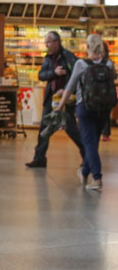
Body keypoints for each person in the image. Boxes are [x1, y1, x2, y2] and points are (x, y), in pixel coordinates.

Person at [55, 34, 115, 190]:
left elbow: (70, 86)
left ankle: (97, 178)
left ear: (87, 47)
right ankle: (84, 171)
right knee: (92, 142)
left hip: (85, 108)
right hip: (104, 109)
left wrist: (60, 105)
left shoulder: (81, 64)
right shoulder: (109, 64)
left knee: (89, 143)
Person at [25, 31, 84, 168]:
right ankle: (39, 158)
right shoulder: (48, 58)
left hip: (66, 100)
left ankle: (87, 156)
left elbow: (76, 76)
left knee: (71, 129)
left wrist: (68, 91)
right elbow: (41, 75)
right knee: (44, 128)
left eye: (49, 42)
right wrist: (54, 73)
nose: (47, 45)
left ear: (57, 42)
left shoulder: (68, 57)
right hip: (51, 99)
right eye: (46, 42)